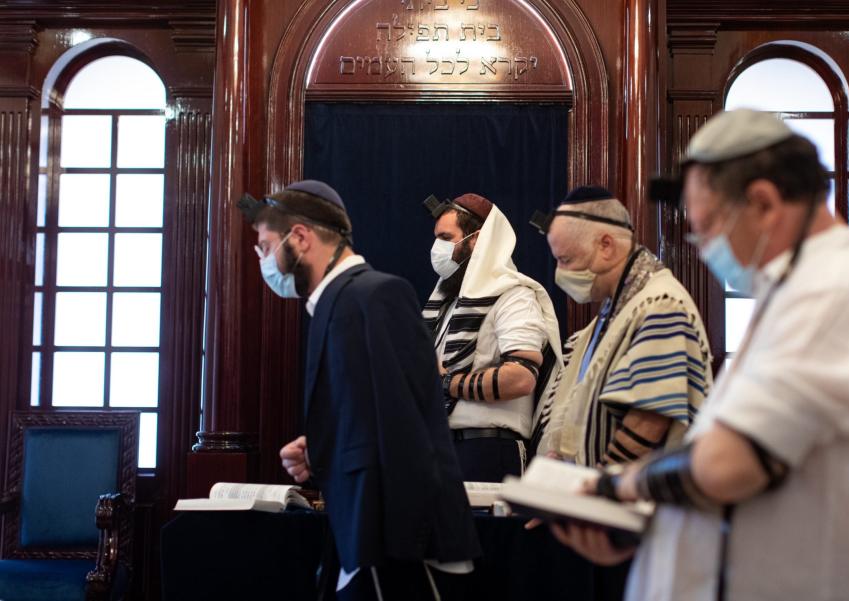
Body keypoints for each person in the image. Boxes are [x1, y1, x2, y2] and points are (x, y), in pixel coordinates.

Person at [552, 109, 849, 600]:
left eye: (705, 227)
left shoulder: (837, 290)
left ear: (764, 204)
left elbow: (727, 465)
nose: (701, 246)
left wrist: (619, 487)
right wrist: (642, 524)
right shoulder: (793, 291)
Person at [241, 180, 481, 601]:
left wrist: (390, 559)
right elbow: (369, 421)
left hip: (397, 548)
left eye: (265, 246)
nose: (261, 260)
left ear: (300, 236)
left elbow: (406, 432)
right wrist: (322, 448)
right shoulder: (338, 301)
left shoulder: (374, 296)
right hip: (366, 535)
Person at [529, 186, 713, 468]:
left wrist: (597, 489)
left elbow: (649, 420)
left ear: (606, 245)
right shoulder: (615, 311)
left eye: (566, 260)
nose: (561, 272)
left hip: (632, 502)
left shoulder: (660, 306)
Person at [423, 193, 563, 482]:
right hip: (437, 448)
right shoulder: (445, 303)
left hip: (489, 450)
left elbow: (521, 377)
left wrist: (447, 383)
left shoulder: (514, 296)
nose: (438, 248)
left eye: (446, 237)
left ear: (476, 239)